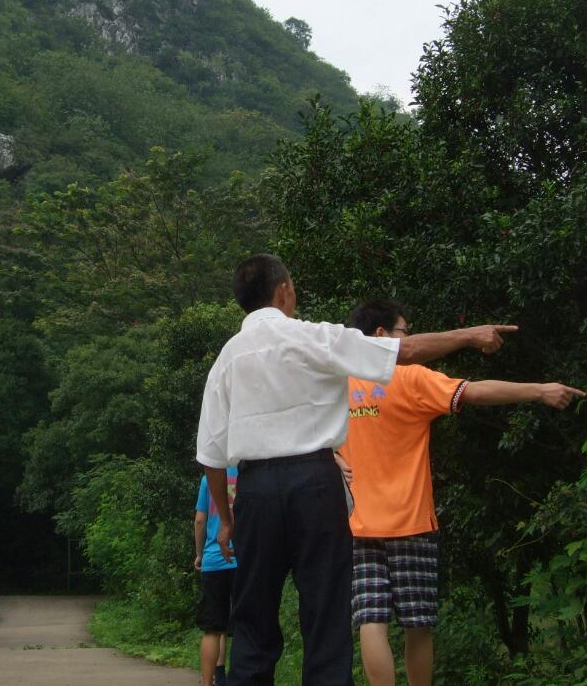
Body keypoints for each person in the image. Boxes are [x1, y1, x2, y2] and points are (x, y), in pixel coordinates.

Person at [195, 254, 519, 686]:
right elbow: (404, 350)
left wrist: (226, 519)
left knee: (252, 620)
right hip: (314, 483)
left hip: (254, 490)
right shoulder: (313, 337)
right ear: (283, 291)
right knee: (326, 616)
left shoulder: (226, 359)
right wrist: (470, 335)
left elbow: (211, 456)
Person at [337, 298, 585, 686]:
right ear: (382, 335)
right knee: (417, 624)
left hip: (356, 524)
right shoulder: (409, 378)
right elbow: (474, 392)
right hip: (410, 520)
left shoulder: (338, 385)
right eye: (405, 331)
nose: (409, 338)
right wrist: (538, 390)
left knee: (371, 620)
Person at [195, 467, 238, 686]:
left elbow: (200, 520)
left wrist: (199, 554)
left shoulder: (208, 479)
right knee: (245, 626)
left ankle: (207, 682)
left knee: (212, 629)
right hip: (243, 559)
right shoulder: (246, 476)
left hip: (213, 560)